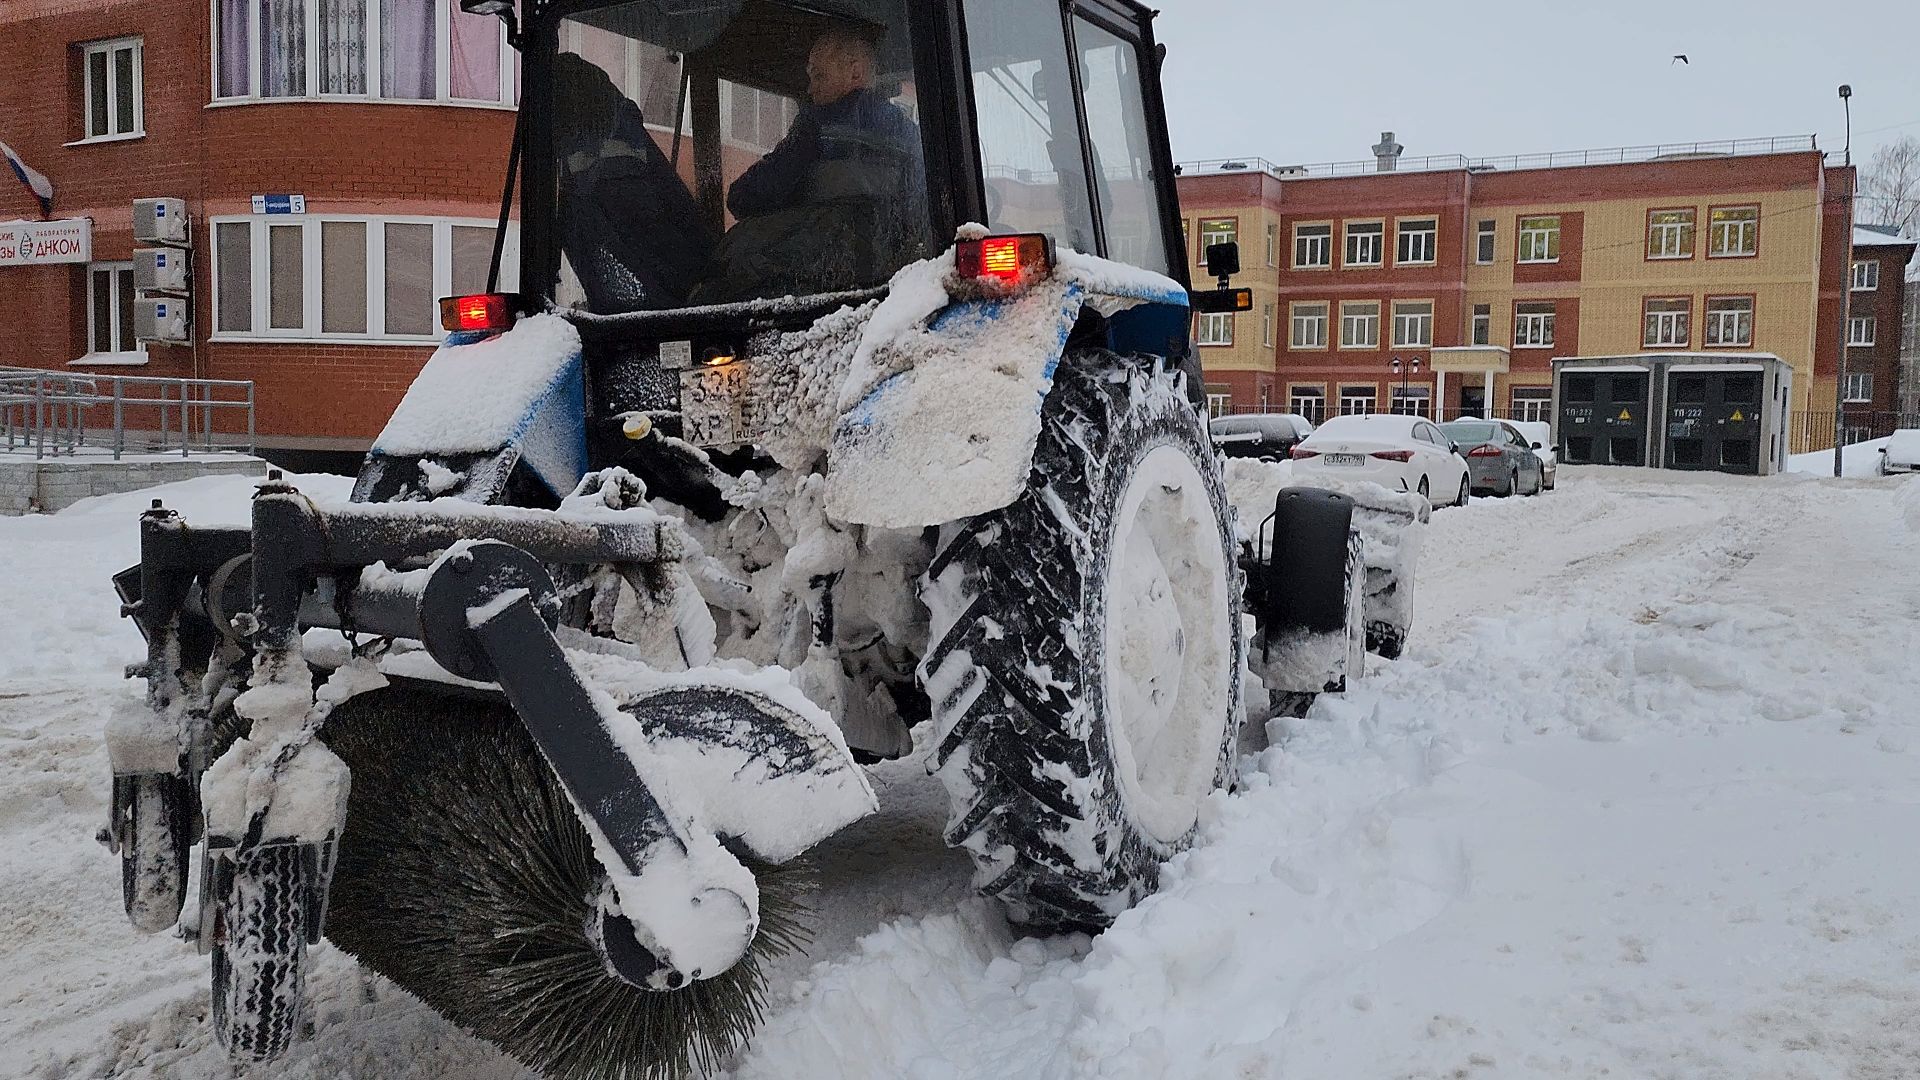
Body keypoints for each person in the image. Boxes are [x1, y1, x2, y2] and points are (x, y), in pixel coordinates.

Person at [693, 29, 928, 302]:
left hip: (817, 273)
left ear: (855, 73)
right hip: (887, 279)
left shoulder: (817, 125)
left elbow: (750, 196)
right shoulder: (911, 136)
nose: (810, 88)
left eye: (819, 75)